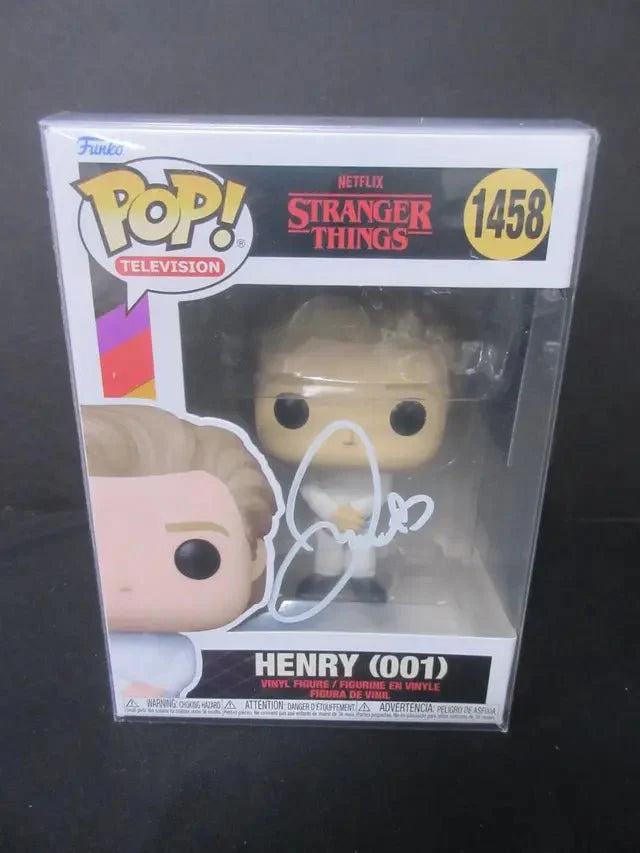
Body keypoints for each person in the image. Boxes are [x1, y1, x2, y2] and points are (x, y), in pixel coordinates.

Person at [255, 296, 448, 603]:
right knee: (328, 547)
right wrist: (332, 511)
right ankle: (325, 576)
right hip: (330, 514)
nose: (348, 436)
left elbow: (381, 490)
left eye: (405, 416)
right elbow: (309, 488)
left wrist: (356, 510)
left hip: (361, 516)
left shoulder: (377, 467)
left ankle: (362, 579)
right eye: (293, 409)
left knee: (362, 548)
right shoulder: (318, 464)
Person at [82, 404, 278, 698]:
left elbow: (172, 676)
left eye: (197, 557)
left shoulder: (174, 653)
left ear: (255, 557)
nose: (128, 580)